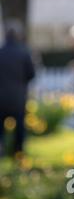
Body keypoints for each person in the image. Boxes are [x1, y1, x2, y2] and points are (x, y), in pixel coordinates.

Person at [0, 20, 35, 156]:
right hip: (18, 96)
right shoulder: (24, 53)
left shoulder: (0, 53)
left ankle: (1, 150)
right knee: (19, 126)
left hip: (1, 96)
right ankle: (18, 152)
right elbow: (31, 74)